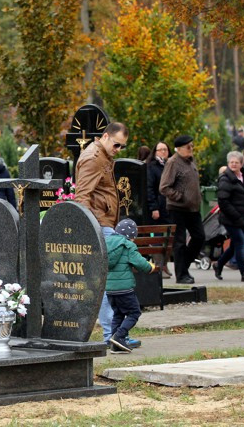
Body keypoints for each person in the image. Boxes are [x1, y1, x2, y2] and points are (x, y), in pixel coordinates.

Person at [74, 122, 137, 348]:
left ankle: (116, 333)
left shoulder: (103, 155)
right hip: (99, 224)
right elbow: (82, 196)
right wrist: (90, 230)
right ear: (105, 136)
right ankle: (112, 333)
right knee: (107, 282)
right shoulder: (93, 158)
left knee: (111, 281)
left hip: (105, 221)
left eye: (123, 147)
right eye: (117, 144)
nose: (118, 149)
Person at [105, 219, 158, 353]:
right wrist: (150, 267)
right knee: (134, 312)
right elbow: (141, 264)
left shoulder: (106, 243)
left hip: (110, 289)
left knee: (118, 314)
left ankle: (115, 344)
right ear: (131, 236)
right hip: (124, 289)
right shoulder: (128, 245)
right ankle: (120, 336)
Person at [159, 135, 204, 284]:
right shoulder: (173, 162)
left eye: (192, 146)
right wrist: (179, 196)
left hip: (193, 208)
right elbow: (164, 187)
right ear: (178, 149)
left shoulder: (191, 161)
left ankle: (183, 267)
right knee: (179, 242)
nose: (191, 149)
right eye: (188, 147)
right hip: (177, 208)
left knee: (199, 237)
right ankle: (181, 275)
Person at [214, 151, 244, 282]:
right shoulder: (225, 178)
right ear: (228, 164)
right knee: (240, 243)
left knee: (235, 246)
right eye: (231, 162)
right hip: (231, 218)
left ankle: (218, 264)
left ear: (241, 163)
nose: (233, 164)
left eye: (236, 162)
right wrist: (237, 217)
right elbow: (223, 201)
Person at [144, 141, 172, 278]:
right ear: (155, 152)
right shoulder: (151, 167)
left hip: (170, 206)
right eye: (160, 150)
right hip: (158, 206)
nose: (163, 152)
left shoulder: (171, 165)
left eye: (165, 150)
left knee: (169, 238)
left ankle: (165, 264)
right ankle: (159, 265)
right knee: (158, 238)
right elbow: (149, 188)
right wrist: (154, 207)